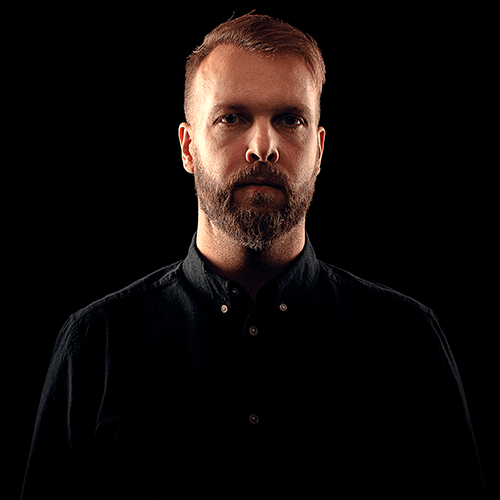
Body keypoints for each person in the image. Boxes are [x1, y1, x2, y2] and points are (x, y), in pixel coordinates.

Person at [22, 13, 485, 499]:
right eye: (232, 118)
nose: (263, 147)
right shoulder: (96, 345)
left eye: (289, 120)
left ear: (319, 150)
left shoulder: (406, 340)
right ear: (187, 147)